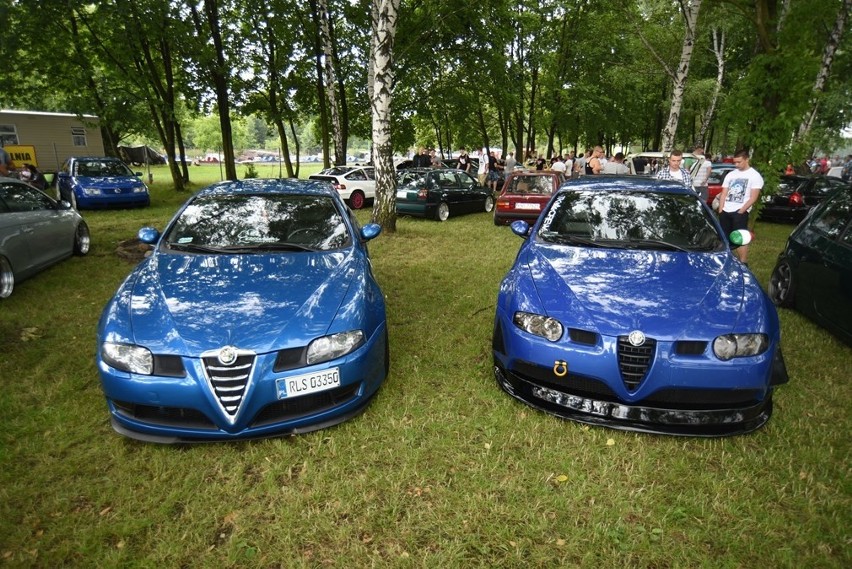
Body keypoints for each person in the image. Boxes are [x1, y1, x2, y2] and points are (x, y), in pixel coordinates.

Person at [718, 150, 763, 264]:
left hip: (740, 211)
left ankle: (743, 262)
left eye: (739, 162)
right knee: (724, 237)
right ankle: (726, 259)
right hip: (725, 210)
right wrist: (721, 209)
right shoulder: (731, 174)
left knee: (740, 237)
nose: (736, 165)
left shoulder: (754, 176)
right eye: (735, 162)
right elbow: (724, 193)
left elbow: (753, 197)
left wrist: (741, 211)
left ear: (747, 159)